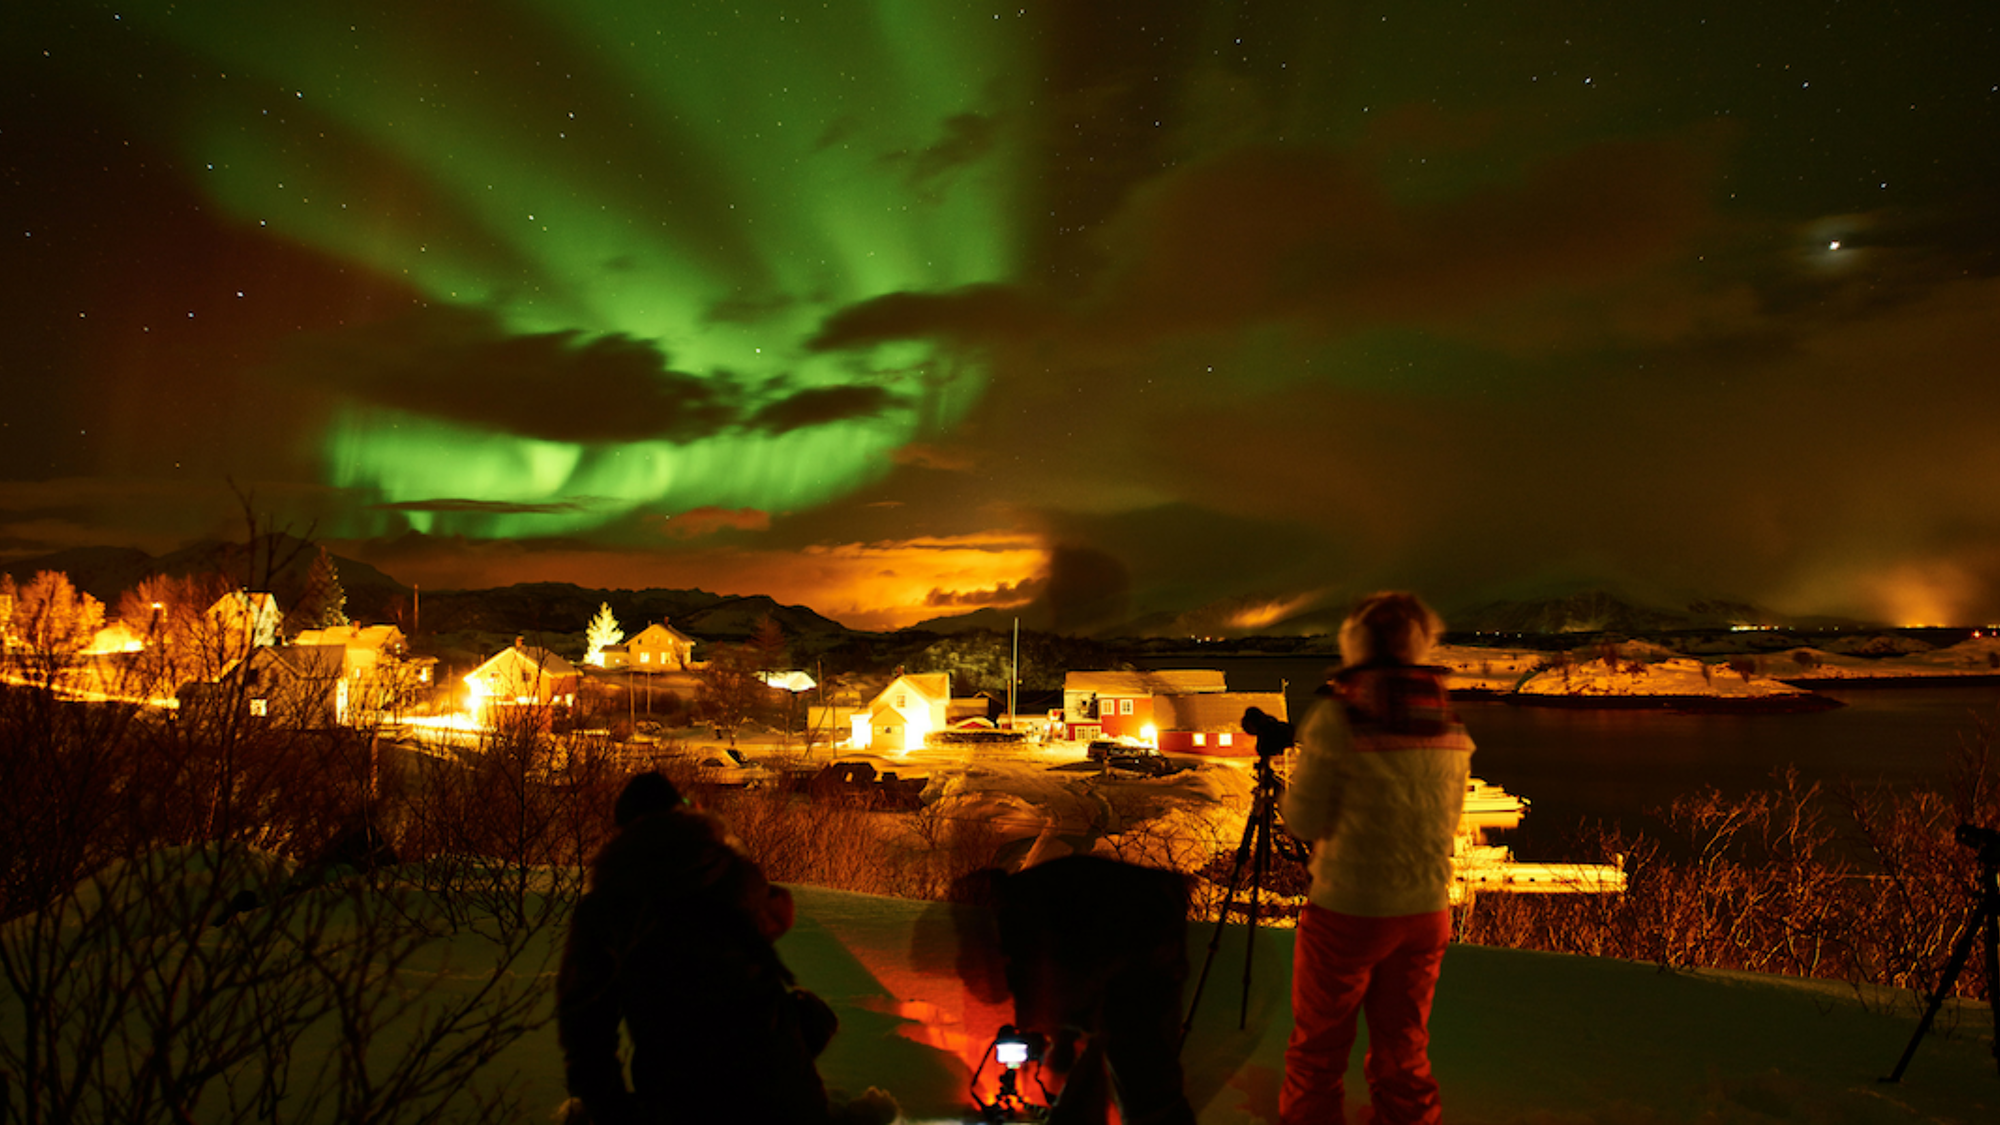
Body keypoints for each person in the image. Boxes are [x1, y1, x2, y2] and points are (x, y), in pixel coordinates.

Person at [1279, 592, 1473, 1125]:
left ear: (1354, 645)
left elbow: (1304, 820)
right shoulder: (1452, 727)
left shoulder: (1337, 719)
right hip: (1427, 909)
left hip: (1348, 909)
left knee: (1318, 1048)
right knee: (1404, 1045)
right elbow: (1450, 820)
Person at [556, 771, 837, 1125]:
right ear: (683, 814)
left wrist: (608, 1108)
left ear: (624, 831)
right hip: (788, 1092)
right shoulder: (731, 876)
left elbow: (585, 1023)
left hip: (685, 1099)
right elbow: (779, 915)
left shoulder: (609, 908)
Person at [951, 854, 1198, 1125]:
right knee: (1127, 1062)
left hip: (1148, 936)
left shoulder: (1026, 916)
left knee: (1144, 1075)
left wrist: (1057, 1035)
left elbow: (1055, 978)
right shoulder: (1027, 908)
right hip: (1144, 927)